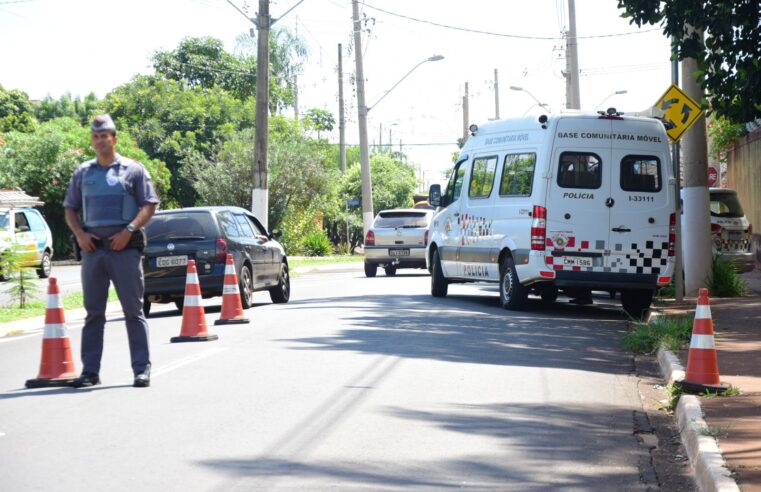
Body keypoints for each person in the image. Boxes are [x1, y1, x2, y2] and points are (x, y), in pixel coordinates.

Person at [64, 114, 159, 388]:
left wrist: (128, 230)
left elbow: (149, 204)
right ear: (92, 141)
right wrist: (79, 234)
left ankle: (141, 369)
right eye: (96, 136)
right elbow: (70, 208)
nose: (100, 140)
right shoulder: (83, 172)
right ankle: (90, 372)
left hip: (125, 251)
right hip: (93, 252)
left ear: (114, 139)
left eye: (105, 135)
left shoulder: (133, 170)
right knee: (93, 313)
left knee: (133, 310)